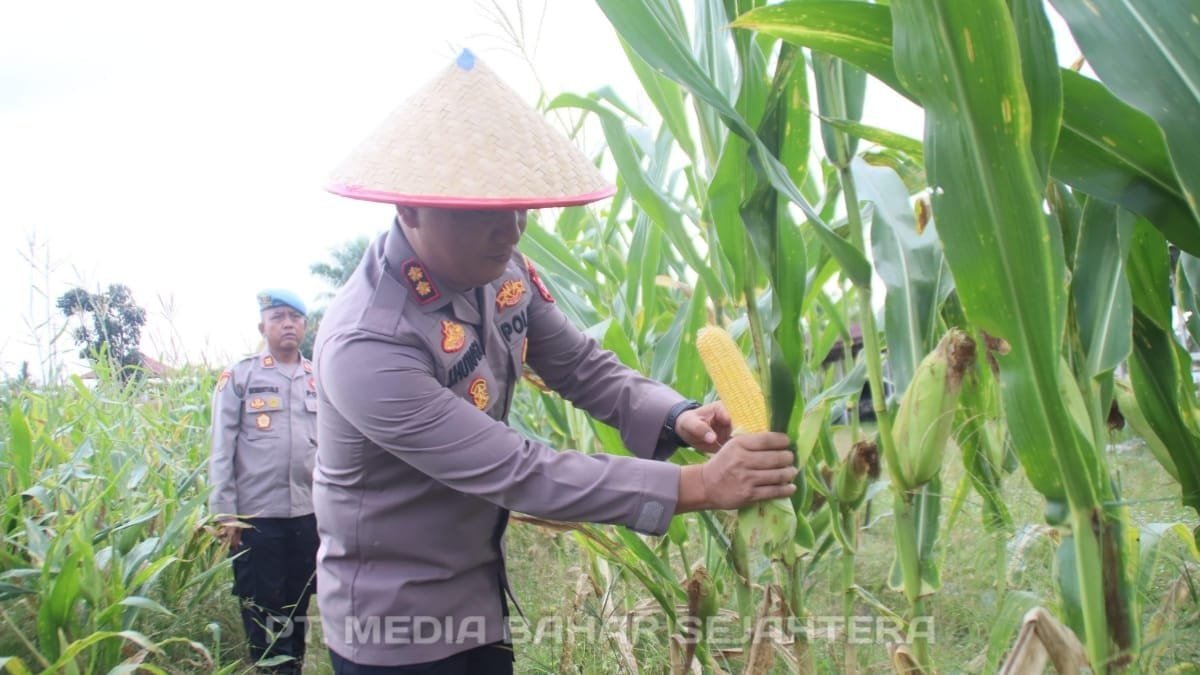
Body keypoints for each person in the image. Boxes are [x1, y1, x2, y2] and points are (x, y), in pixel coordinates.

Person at [313, 50, 797, 674]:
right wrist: (701, 485)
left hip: (477, 594)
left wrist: (680, 417)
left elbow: (580, 365)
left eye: (518, 206)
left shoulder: (498, 270)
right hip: (394, 624)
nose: (512, 228)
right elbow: (518, 470)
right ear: (409, 208)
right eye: (484, 211)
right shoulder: (368, 346)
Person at [208, 289, 320, 674]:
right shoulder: (241, 376)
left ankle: (294, 667)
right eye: (278, 317)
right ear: (263, 326)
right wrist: (224, 515)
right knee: (262, 606)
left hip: (308, 515)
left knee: (298, 605)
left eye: (295, 316)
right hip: (257, 519)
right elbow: (221, 449)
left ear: (305, 325)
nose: (287, 324)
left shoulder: (319, 377)